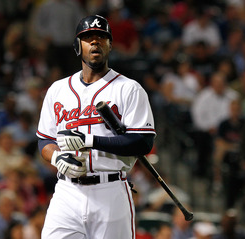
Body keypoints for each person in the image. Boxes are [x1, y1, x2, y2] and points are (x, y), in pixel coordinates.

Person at [36, 15, 156, 238]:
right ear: (77, 46)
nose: (95, 42)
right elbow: (45, 140)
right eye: (88, 37)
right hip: (67, 192)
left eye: (101, 37)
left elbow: (143, 142)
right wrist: (57, 158)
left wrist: (89, 141)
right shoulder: (57, 90)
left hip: (109, 190)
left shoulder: (129, 89)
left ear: (110, 45)